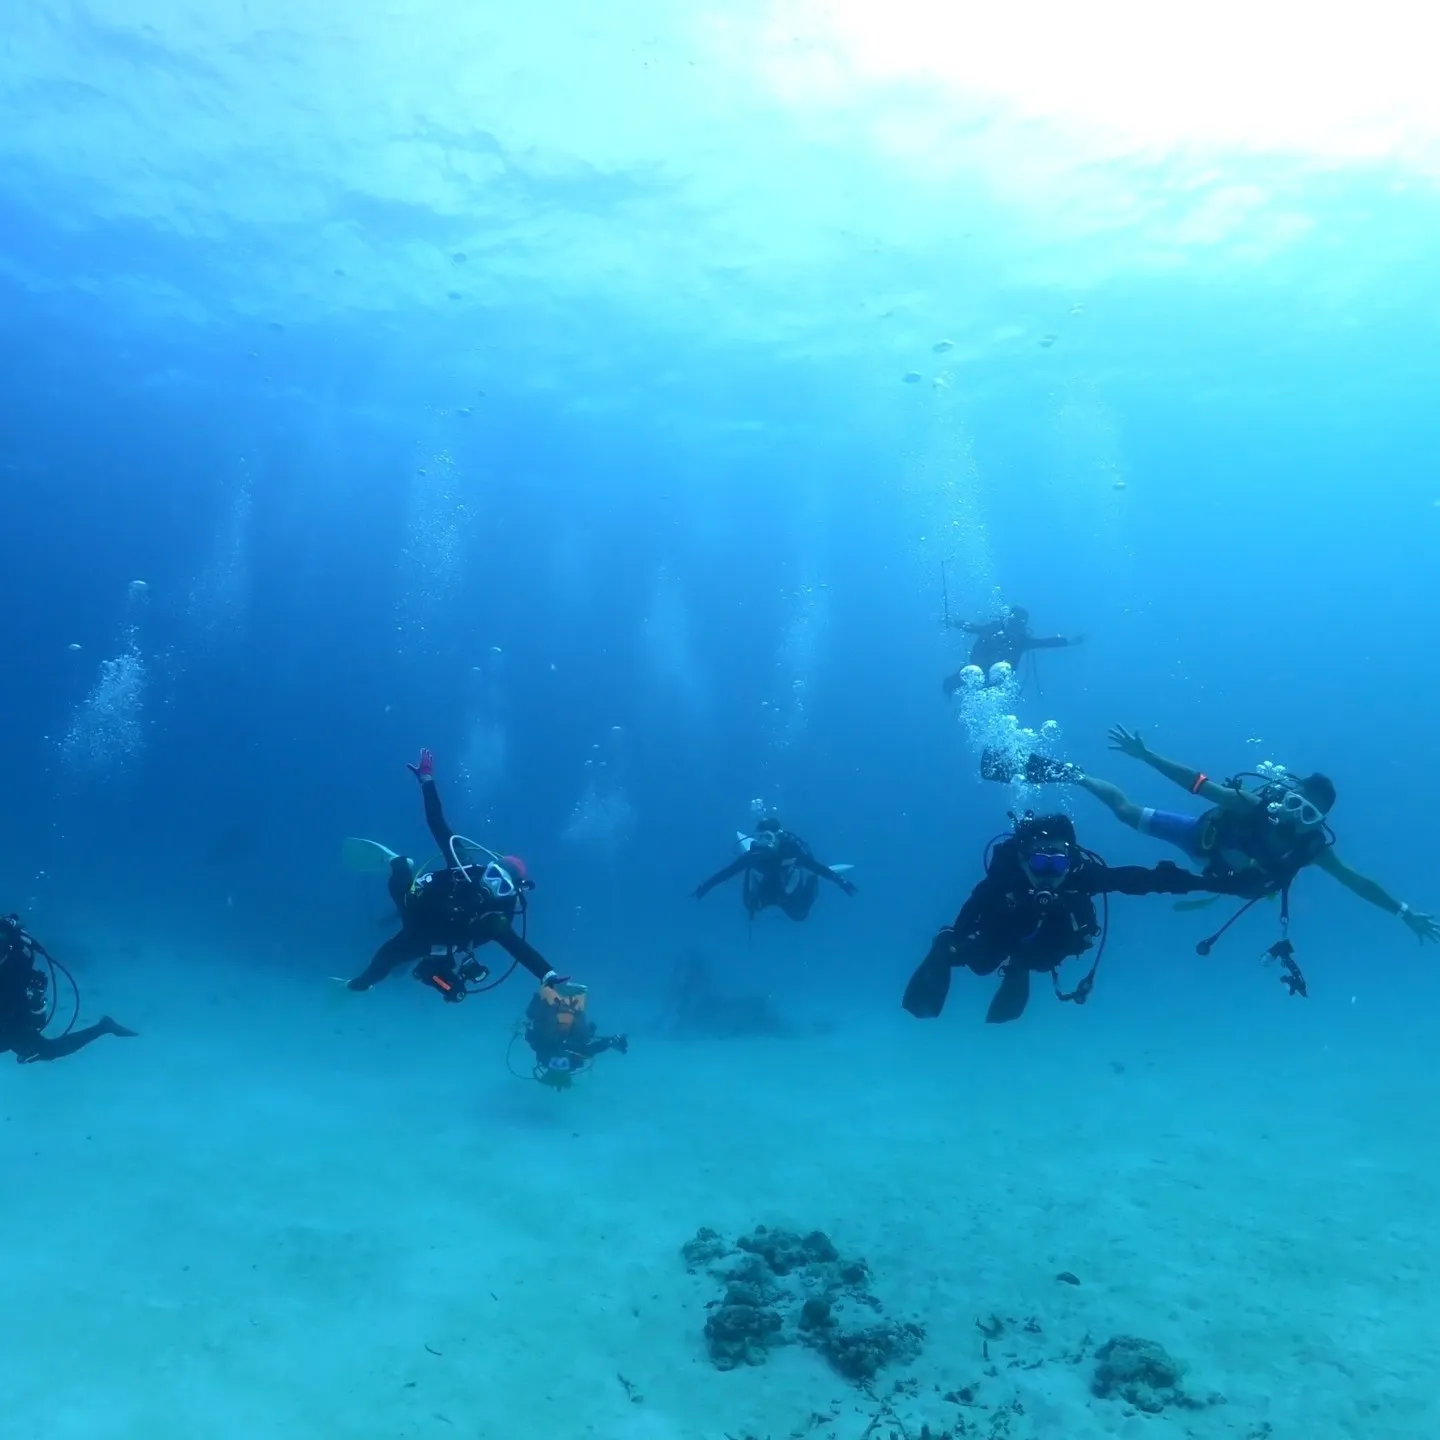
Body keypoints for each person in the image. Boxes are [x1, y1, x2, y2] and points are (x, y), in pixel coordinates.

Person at [1001, 727, 1440, 951]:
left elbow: (1355, 880)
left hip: (1226, 878)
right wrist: (1147, 755)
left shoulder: (1311, 848)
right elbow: (1198, 784)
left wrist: (1403, 912)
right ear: (1288, 794)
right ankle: (1075, 775)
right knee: (1125, 812)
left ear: (1318, 821)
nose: (1296, 817)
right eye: (1296, 803)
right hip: (1199, 840)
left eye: (1309, 815)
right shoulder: (1252, 804)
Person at [901, 811, 1267, 1024]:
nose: (1048, 872)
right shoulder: (1003, 880)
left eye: (1057, 862)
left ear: (1071, 861)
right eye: (1039, 862)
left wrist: (1221, 885)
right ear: (1022, 859)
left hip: (1039, 946)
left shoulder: (1081, 876)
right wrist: (949, 945)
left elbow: (1144, 880)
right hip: (998, 936)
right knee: (979, 962)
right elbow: (968, 916)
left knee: (1046, 955)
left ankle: (1019, 967)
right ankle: (971, 958)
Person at [346, 749, 569, 1000]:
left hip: (437, 943)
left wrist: (547, 974)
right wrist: (426, 780)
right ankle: (397, 861)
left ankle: (383, 978)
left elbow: (518, 948)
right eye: (493, 876)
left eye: (503, 886)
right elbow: (437, 824)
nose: (491, 887)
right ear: (488, 869)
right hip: (416, 910)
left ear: (513, 893)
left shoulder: (496, 919)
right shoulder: (465, 866)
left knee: (453, 991)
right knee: (386, 944)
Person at [0, 913, 136, 1063]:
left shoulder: (19, 966)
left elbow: (36, 1021)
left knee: (50, 1050)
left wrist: (37, 999)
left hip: (11, 1025)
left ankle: (105, 1026)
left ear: (7, 946)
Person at [692, 817, 856, 921]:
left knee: (800, 916)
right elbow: (727, 872)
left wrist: (840, 881)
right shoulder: (753, 855)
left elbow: (816, 867)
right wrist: (705, 886)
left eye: (767, 837)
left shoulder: (790, 849)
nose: (762, 842)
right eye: (759, 838)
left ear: (778, 836)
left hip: (789, 888)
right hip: (765, 888)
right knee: (751, 906)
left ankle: (812, 880)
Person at [942, 605, 1083, 697]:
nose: (1015, 627)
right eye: (1014, 622)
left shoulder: (1022, 639)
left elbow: (1044, 642)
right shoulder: (994, 629)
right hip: (978, 670)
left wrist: (1067, 642)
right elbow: (971, 627)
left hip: (995, 679)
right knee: (950, 685)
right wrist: (953, 622)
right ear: (1008, 620)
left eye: (1019, 624)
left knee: (988, 695)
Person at [521, 979, 627, 1090]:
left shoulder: (543, 1052)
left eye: (555, 1064)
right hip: (574, 1023)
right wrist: (611, 1042)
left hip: (554, 1020)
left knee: (534, 1015)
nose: (559, 1060)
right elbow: (593, 1049)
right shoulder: (575, 1059)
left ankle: (550, 992)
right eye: (562, 1064)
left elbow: (531, 1037)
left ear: (549, 1066)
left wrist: (526, 1028)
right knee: (585, 1034)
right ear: (567, 1069)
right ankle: (572, 996)